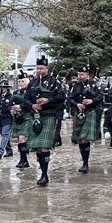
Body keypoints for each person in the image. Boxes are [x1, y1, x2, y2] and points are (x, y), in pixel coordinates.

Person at [22, 55, 66, 186]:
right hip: (36, 116)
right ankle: (42, 171)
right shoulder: (33, 83)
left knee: (44, 146)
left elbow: (62, 96)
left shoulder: (54, 82)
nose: (39, 71)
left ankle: (44, 175)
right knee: (38, 148)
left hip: (49, 116)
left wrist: (48, 100)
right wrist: (32, 106)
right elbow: (25, 100)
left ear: (47, 68)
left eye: (42, 68)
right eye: (37, 68)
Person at [69, 64, 103, 174]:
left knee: (84, 138)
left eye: (82, 74)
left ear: (87, 75)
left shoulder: (93, 85)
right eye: (78, 74)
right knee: (80, 139)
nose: (80, 76)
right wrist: (78, 104)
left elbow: (100, 96)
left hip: (90, 112)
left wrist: (91, 101)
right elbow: (70, 99)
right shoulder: (76, 86)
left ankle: (85, 163)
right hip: (79, 113)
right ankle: (84, 161)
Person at [10, 70, 31, 168]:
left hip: (27, 117)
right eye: (19, 81)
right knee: (20, 139)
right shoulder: (16, 93)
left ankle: (24, 160)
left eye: (23, 81)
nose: (21, 83)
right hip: (18, 118)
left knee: (22, 139)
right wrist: (12, 110)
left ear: (27, 82)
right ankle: (23, 159)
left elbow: (30, 104)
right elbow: (10, 104)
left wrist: (21, 106)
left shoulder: (31, 92)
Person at [0, 80, 13, 159]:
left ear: (7, 88)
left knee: (5, 134)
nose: (3, 89)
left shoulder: (10, 96)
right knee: (4, 135)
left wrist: (3, 108)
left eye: (4, 87)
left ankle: (0, 152)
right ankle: (9, 150)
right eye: (2, 87)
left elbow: (9, 107)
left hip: (7, 118)